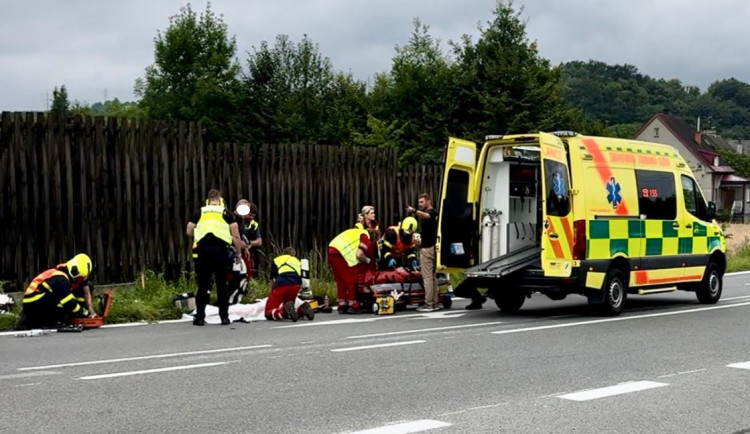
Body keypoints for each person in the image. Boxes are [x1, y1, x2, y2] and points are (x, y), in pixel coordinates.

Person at [186, 189, 245, 326]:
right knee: (221, 284)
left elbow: (189, 230)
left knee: (203, 285)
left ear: (208, 199)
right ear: (220, 199)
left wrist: (200, 232)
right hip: (220, 251)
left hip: (203, 251)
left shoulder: (200, 212)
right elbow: (236, 235)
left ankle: (200, 317)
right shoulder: (226, 213)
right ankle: (224, 317)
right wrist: (238, 253)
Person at [17, 253, 93, 329]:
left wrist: (90, 309)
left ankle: (58, 320)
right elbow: (68, 302)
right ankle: (49, 322)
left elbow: (86, 291)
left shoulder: (63, 272)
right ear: (73, 269)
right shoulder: (60, 279)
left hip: (35, 301)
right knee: (63, 300)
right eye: (79, 278)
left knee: (63, 297)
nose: (80, 281)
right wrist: (84, 313)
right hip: (34, 303)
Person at [407, 193, 440, 312]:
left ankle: (429, 303)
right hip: (430, 247)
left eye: (421, 202)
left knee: (427, 277)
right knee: (432, 277)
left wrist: (414, 211)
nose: (419, 204)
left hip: (428, 249)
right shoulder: (434, 214)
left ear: (428, 201)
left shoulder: (431, 213)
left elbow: (426, 216)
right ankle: (435, 302)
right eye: (418, 202)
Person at [328, 226, 371, 313]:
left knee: (340, 280)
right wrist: (367, 260)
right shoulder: (365, 237)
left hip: (332, 251)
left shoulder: (356, 232)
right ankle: (352, 304)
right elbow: (359, 255)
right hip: (341, 255)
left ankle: (342, 303)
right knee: (351, 280)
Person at [265, 247, 314, 322]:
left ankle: (281, 312)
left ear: (283, 253)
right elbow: (303, 277)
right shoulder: (297, 261)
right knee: (289, 308)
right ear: (293, 254)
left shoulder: (277, 260)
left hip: (281, 285)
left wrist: (273, 291)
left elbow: (272, 278)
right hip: (295, 286)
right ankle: (302, 310)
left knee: (268, 313)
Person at [234, 200, 263, 279]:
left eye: (253, 216)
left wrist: (249, 243)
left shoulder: (253, 225)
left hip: (246, 250)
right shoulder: (236, 220)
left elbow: (259, 241)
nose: (251, 217)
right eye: (249, 215)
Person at [355, 205, 379, 271]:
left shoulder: (375, 225)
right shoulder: (359, 226)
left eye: (374, 213)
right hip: (364, 251)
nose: (374, 215)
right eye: (371, 213)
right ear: (365, 215)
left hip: (373, 251)